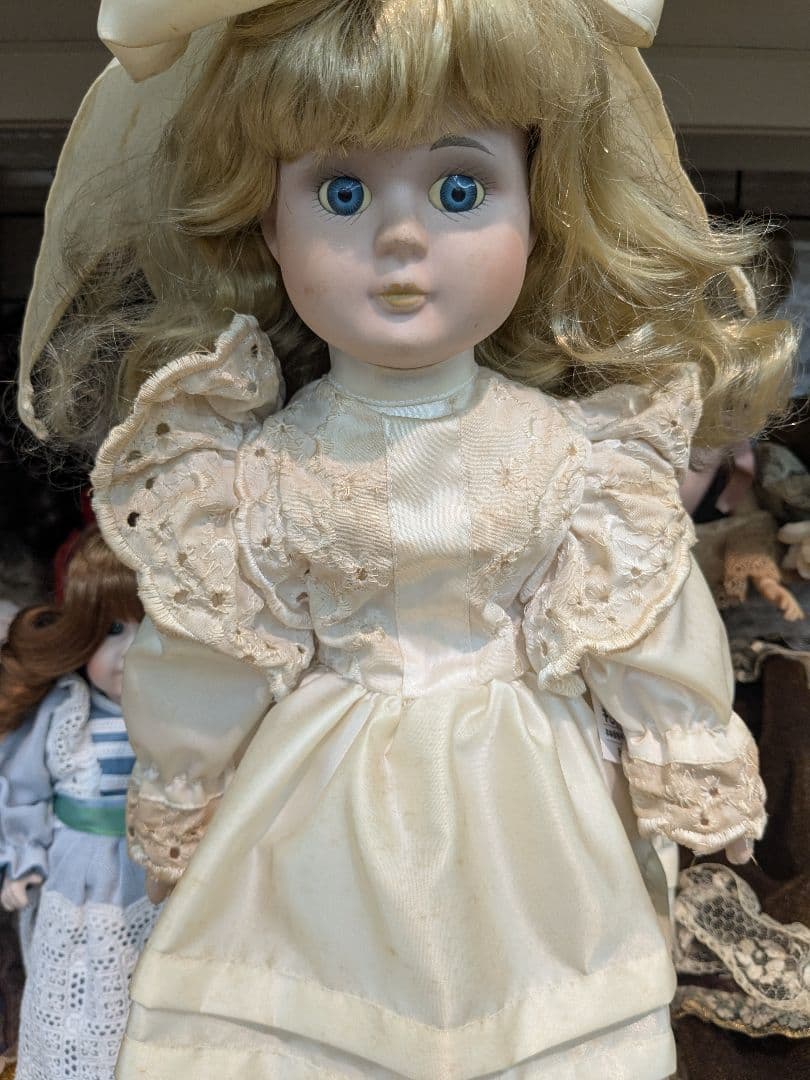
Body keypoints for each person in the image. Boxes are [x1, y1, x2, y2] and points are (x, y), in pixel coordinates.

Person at [17, 1, 796, 1076]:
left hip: (526, 817)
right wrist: (183, 786)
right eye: (341, 193)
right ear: (267, 226)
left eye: (460, 190)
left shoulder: (575, 458)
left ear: (540, 214)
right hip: (317, 821)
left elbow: (639, 614)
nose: (401, 237)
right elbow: (211, 656)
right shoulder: (252, 474)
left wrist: (685, 742)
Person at [0, 527, 156, 1080]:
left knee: (146, 982)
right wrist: (22, 858)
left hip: (152, 875)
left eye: (150, 629)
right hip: (76, 872)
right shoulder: (67, 711)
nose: (130, 653)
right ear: (80, 634)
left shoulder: (177, 717)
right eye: (113, 630)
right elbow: (23, 789)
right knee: (73, 978)